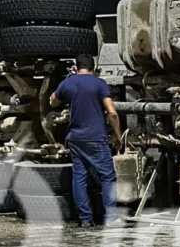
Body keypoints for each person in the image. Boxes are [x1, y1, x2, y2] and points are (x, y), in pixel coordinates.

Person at [49, 54, 124, 228]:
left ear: (76, 67)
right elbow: (111, 112)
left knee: (79, 177)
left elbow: (52, 102)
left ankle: (85, 219)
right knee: (107, 177)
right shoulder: (99, 84)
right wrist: (118, 136)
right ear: (94, 66)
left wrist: (67, 82)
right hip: (96, 138)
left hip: (75, 138)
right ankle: (111, 218)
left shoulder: (67, 83)